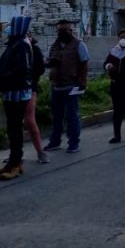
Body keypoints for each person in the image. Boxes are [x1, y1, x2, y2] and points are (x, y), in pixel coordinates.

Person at [0, 15, 33, 181]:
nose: (8, 28)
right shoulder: (15, 43)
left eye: (11, 26)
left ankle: (15, 163)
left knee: (15, 129)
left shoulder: (21, 45)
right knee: (12, 128)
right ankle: (13, 161)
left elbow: (21, 70)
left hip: (17, 93)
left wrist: (4, 77)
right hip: (11, 92)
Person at [45, 19, 89, 154]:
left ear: (70, 30)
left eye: (65, 30)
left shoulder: (79, 44)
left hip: (72, 85)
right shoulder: (55, 45)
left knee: (72, 116)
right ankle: (55, 141)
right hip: (56, 85)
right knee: (56, 116)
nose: (62, 32)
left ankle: (73, 143)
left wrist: (82, 81)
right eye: (59, 30)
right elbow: (49, 60)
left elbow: (84, 63)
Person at [23, 33, 50, 164]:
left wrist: (29, 78)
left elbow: (40, 69)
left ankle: (41, 152)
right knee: (14, 124)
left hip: (29, 89)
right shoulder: (14, 47)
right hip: (13, 90)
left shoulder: (34, 49)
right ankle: (16, 153)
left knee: (30, 121)